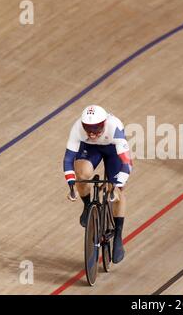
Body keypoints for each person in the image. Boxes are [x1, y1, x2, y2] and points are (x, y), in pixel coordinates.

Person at [63, 105, 132, 264]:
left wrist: (117, 184)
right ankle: (88, 206)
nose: (93, 134)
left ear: (105, 123)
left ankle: (118, 237)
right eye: (88, 130)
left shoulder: (114, 127)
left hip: (113, 150)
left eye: (97, 129)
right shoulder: (77, 128)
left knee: (116, 192)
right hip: (90, 150)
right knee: (81, 175)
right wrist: (71, 185)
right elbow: (68, 160)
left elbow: (127, 163)